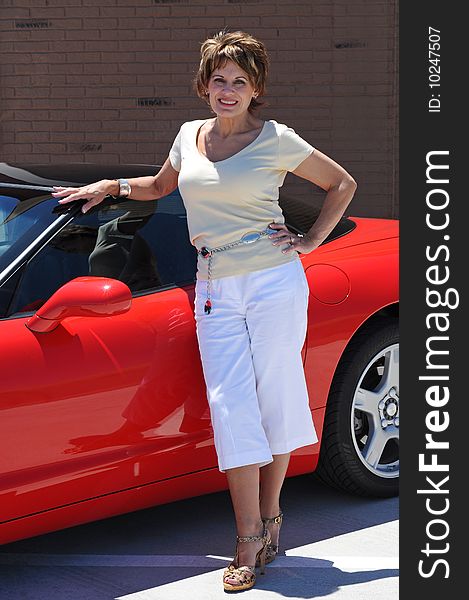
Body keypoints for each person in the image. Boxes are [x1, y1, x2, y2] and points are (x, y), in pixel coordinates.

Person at [52, 29, 357, 593]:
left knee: (276, 396)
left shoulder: (277, 139)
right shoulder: (188, 136)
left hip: (272, 281)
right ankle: (247, 535)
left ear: (255, 88)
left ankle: (267, 524)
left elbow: (341, 183)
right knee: (229, 404)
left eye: (239, 81)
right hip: (214, 285)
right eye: (219, 79)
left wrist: (311, 240)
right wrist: (110, 185)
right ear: (204, 85)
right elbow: (160, 187)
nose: (228, 89)